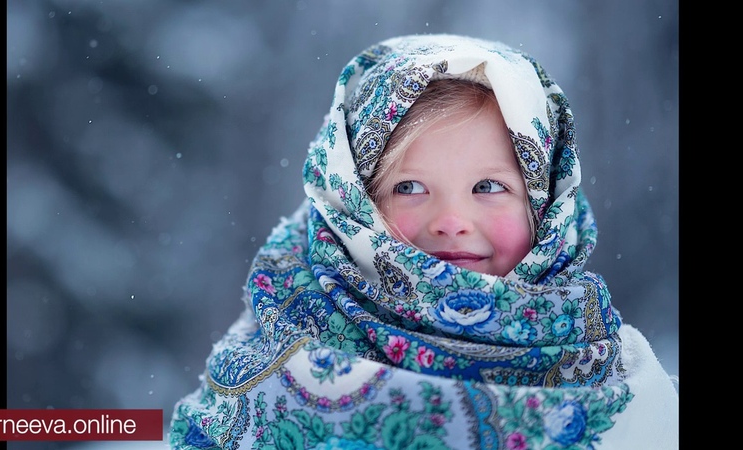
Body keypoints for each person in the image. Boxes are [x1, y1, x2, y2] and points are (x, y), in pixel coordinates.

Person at [168, 34, 679, 449]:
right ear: (353, 205)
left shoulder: (618, 375)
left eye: (488, 187)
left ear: (547, 206)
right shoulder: (282, 349)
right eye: (409, 187)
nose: (452, 220)